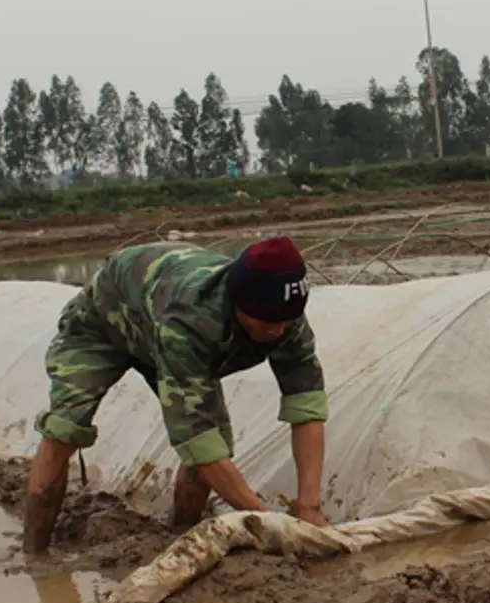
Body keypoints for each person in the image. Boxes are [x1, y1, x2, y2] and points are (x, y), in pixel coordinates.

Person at [22, 235, 331, 554]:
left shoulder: (284, 313)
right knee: (65, 429)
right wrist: (271, 525)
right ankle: (34, 551)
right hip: (104, 323)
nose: (278, 331)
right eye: (267, 322)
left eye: (286, 321)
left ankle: (184, 538)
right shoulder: (190, 319)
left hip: (159, 313)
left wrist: (309, 507)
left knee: (216, 443)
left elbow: (306, 402)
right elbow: (196, 438)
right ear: (238, 302)